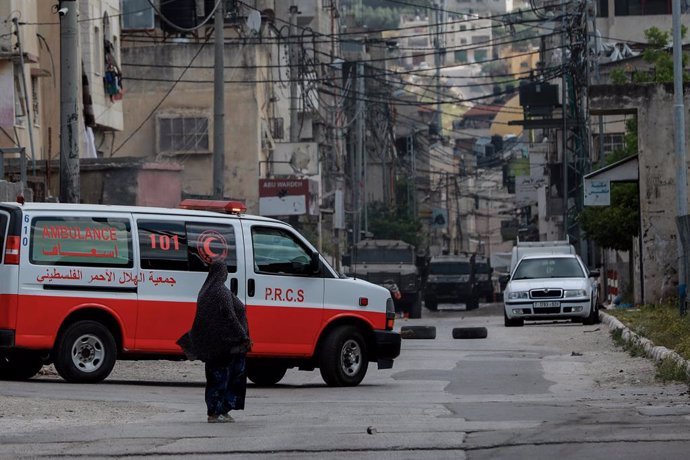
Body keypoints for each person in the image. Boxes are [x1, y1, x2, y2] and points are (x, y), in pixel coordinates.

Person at [177, 260, 251, 423]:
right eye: (225, 271)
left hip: (214, 345)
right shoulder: (221, 292)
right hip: (226, 345)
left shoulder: (206, 291)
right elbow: (230, 317)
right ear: (222, 273)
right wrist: (243, 336)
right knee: (225, 377)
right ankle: (218, 412)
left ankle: (216, 411)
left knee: (215, 377)